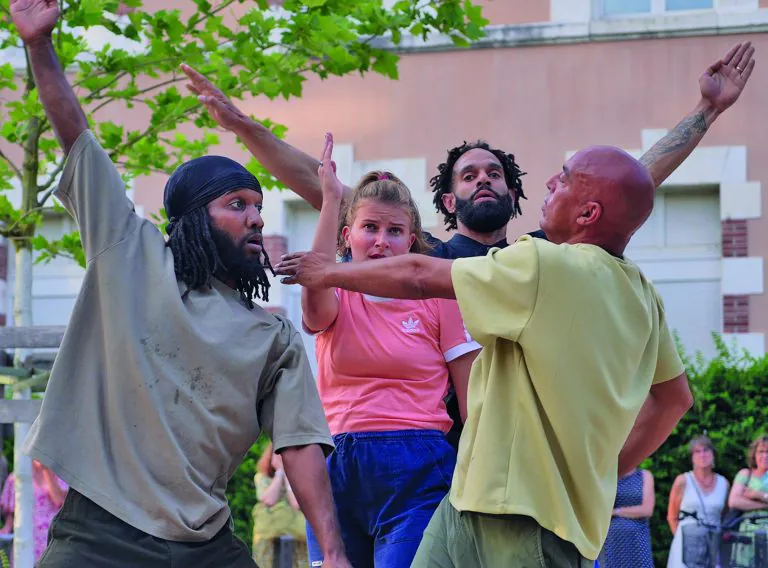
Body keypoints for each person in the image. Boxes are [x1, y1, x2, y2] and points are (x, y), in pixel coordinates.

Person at [182, 39, 754, 446]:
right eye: (468, 175)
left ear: (514, 192)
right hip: (441, 449)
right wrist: (242, 126)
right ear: (449, 202)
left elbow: (630, 181)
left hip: (525, 452)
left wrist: (705, 111)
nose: (484, 178)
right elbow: (320, 183)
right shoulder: (425, 256)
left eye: (495, 174)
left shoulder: (540, 260)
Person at [10, 1, 351, 566]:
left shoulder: (272, 336)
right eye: (237, 204)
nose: (257, 219)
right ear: (192, 218)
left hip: (205, 544)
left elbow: (299, 444)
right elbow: (77, 138)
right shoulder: (129, 251)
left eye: (260, 207)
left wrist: (334, 554)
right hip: (101, 536)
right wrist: (40, 47)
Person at [274, 141, 699, 566]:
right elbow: (675, 399)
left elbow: (419, 273)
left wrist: (328, 270)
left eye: (565, 178)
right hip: (468, 500)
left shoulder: (543, 264)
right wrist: (604, 471)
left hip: (525, 515)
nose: (550, 181)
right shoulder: (644, 296)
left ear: (588, 214)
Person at [302, 134, 479, 567]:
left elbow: (473, 403)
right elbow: (314, 289)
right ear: (348, 236)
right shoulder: (337, 293)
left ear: (412, 241)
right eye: (370, 228)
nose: (382, 240)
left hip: (417, 469)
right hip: (336, 469)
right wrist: (329, 199)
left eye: (395, 231)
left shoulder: (441, 298)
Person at [666, 435, 729, 568]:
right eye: (697, 451)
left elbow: (724, 515)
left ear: (713, 454)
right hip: (686, 543)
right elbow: (672, 517)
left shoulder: (724, 483)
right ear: (692, 457)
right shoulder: (682, 481)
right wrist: (682, 541)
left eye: (706, 450)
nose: (702, 455)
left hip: (713, 542)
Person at [252, 444, 308, 568]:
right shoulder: (262, 477)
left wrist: (288, 475)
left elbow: (296, 503)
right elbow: (269, 500)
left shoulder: (302, 477)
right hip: (269, 537)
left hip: (298, 537)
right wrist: (280, 473)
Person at [0, 461, 68, 562]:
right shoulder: (18, 477)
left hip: (51, 540)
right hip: (26, 541)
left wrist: (46, 471)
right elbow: (12, 510)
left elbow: (59, 500)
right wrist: (7, 528)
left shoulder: (60, 476)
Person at [598, 469, 655, 568]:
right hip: (611, 540)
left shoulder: (645, 475)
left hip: (637, 539)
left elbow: (647, 510)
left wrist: (616, 511)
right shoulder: (607, 475)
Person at [726, 435, 768, 567]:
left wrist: (758, 494)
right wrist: (764, 504)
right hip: (746, 535)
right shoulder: (745, 474)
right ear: (754, 454)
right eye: (761, 451)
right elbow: (734, 501)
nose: (765, 456)